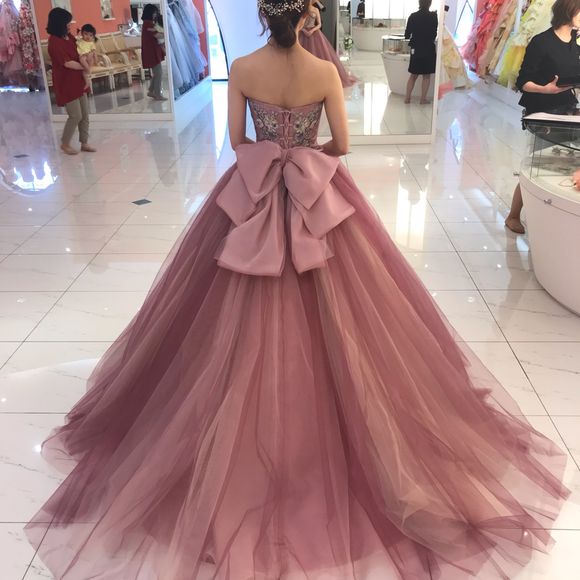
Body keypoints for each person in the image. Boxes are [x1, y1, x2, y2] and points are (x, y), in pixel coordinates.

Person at [26, 1, 569, 578]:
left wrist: (272, 159)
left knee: (217, 314)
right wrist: (305, 158)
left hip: (253, 195)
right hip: (317, 195)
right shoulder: (324, 71)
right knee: (353, 310)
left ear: (263, 15)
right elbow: (342, 145)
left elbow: (239, 140)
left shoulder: (243, 68)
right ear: (306, 14)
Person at [505, 0, 580, 234]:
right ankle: (513, 215)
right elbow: (522, 81)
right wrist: (545, 89)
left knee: (561, 165)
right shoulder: (542, 42)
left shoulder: (575, 43)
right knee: (537, 165)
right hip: (543, 113)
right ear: (568, 11)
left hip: (568, 110)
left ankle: (550, 217)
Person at [46, 8, 96, 156]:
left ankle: (84, 142)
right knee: (75, 115)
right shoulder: (54, 42)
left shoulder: (69, 36)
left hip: (78, 79)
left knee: (85, 114)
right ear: (59, 23)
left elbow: (80, 51)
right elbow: (67, 63)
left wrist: (89, 57)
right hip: (66, 81)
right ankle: (65, 143)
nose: (70, 25)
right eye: (67, 22)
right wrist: (85, 67)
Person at [300, 0, 358, 88]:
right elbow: (300, 23)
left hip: (314, 33)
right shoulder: (302, 9)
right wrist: (303, 30)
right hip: (303, 33)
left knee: (318, 55)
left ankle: (317, 78)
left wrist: (312, 30)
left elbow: (319, 24)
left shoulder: (316, 9)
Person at [404, 0, 438, 104]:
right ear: (430, 3)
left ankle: (407, 98)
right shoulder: (433, 16)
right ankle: (423, 99)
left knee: (413, 75)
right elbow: (434, 34)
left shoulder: (413, 16)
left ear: (419, 3)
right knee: (426, 75)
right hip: (428, 48)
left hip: (416, 48)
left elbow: (407, 34)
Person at [141, 3, 167, 101]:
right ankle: (157, 94)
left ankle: (151, 91)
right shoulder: (148, 24)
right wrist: (166, 33)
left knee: (157, 73)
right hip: (151, 52)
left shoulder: (147, 23)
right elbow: (157, 35)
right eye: (154, 12)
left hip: (151, 50)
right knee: (159, 72)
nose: (155, 14)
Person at [76, 23, 98, 93]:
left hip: (89, 58)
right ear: (82, 33)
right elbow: (76, 48)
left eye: (90, 35)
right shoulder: (79, 41)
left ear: (93, 36)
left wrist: (96, 61)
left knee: (89, 55)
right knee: (83, 71)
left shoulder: (91, 43)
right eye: (86, 34)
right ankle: (87, 82)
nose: (88, 36)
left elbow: (94, 53)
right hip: (83, 57)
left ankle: (88, 69)